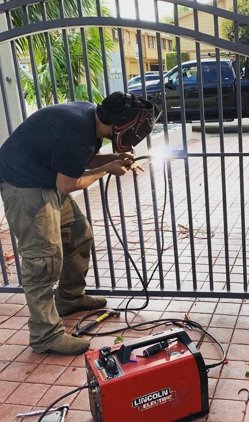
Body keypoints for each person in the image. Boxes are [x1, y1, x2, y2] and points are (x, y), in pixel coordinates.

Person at [0, 91, 158, 356]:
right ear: (121, 123)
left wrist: (110, 160)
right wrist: (107, 170)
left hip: (44, 179)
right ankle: (45, 335)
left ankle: (70, 299)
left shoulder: (90, 119)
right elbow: (69, 183)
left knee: (78, 234)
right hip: (24, 186)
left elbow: (74, 161)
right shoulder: (77, 131)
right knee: (42, 261)